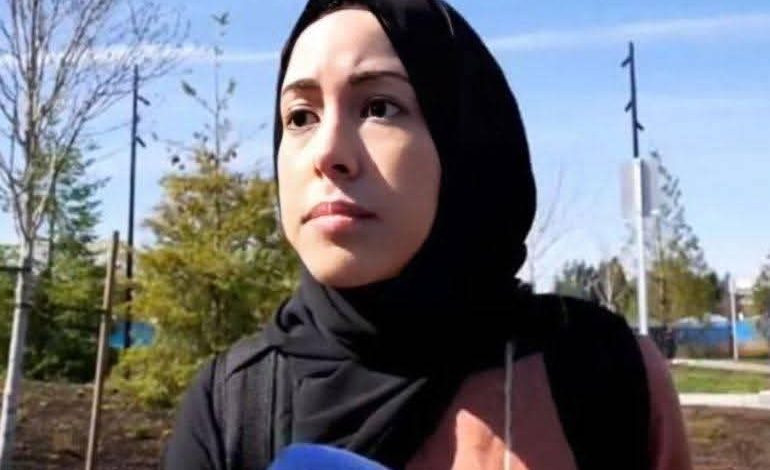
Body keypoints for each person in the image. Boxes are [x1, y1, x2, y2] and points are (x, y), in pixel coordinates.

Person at [163, 1, 692, 469]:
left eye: (378, 108)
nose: (327, 153)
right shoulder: (231, 407)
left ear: (464, 140)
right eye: (301, 117)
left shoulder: (600, 374)